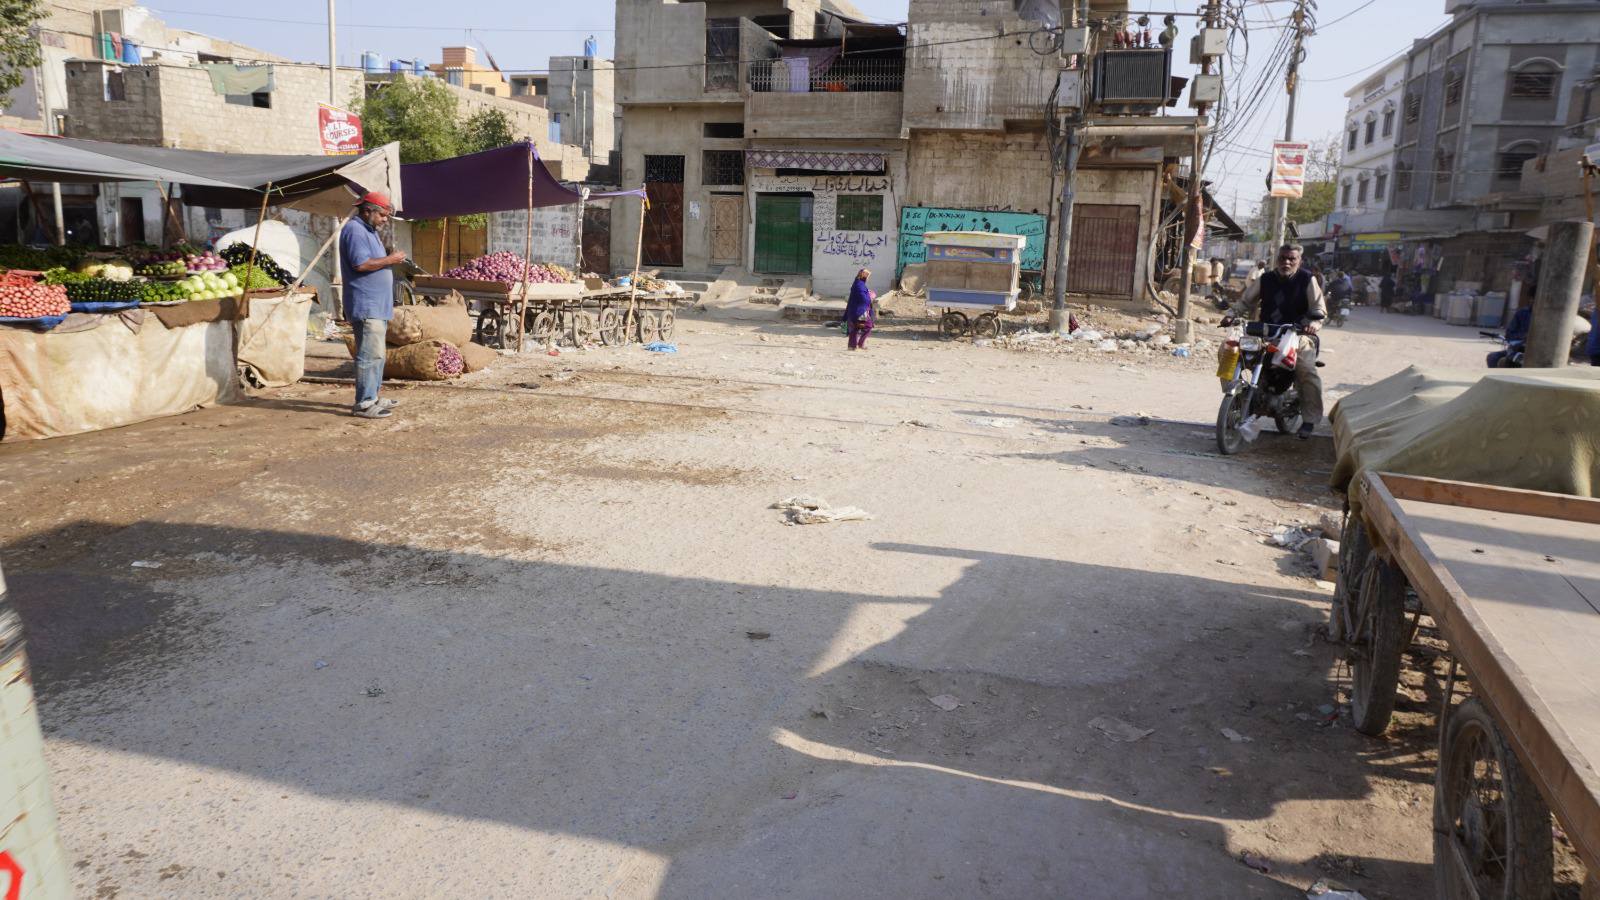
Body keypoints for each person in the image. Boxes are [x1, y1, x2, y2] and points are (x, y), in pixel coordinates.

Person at [1230, 243, 1327, 439]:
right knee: (1231, 355)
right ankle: (1235, 399)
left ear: (1299, 261)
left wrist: (1314, 323)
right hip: (1265, 333)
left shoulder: (1307, 279)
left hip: (1296, 335)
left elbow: (1319, 309)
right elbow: (1245, 301)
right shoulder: (1266, 279)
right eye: (1283, 258)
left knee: (1307, 371)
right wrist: (1231, 314)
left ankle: (1309, 419)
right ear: (1277, 259)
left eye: (1292, 259)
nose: (1287, 262)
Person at [340, 192, 407, 418]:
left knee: (377, 354)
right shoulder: (355, 230)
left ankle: (373, 396)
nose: (385, 220)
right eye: (383, 215)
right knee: (369, 355)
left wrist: (388, 259)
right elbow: (360, 264)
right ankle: (364, 404)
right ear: (368, 211)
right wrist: (391, 259)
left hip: (377, 305)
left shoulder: (369, 231)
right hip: (366, 304)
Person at [1488, 303, 1533, 368]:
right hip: (1517, 348)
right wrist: (1522, 336)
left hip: (1533, 351)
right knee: (1492, 357)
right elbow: (1509, 333)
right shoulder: (1522, 313)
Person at [844, 268, 875, 351]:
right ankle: (859, 344)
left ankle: (852, 346)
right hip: (859, 311)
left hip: (853, 311)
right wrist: (870, 297)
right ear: (864, 276)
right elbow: (863, 299)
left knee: (855, 328)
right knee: (868, 326)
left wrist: (867, 292)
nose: (868, 278)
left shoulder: (858, 283)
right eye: (867, 276)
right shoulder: (859, 285)